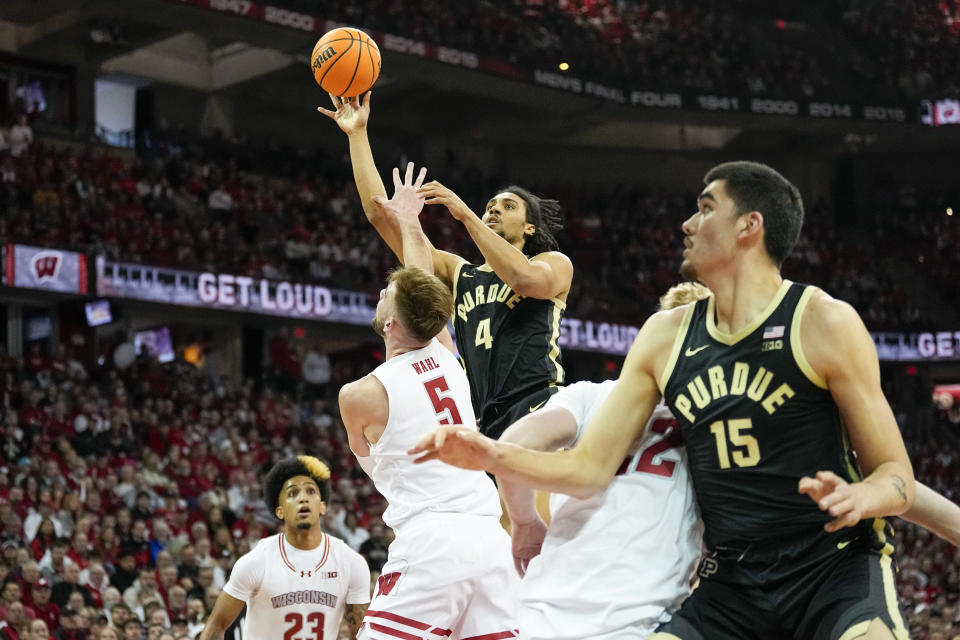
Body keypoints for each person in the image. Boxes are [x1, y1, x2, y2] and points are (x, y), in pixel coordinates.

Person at [412, 161, 917, 640]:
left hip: (830, 564)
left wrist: (861, 496)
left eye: (704, 208)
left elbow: (896, 475)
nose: (686, 223)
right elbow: (590, 469)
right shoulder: (663, 336)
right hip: (733, 579)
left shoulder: (823, 321)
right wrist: (491, 453)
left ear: (749, 226)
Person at [320, 94, 573, 439]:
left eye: (508, 206)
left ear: (530, 227)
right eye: (490, 205)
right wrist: (357, 134)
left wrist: (467, 213)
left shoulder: (553, 263)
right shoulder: (459, 274)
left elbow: (522, 278)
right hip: (484, 419)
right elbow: (381, 216)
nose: (494, 209)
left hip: (539, 404)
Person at [500, 282, 710, 640]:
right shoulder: (716, 419)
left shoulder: (590, 394)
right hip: (639, 620)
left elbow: (514, 445)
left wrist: (524, 520)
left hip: (538, 616)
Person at [338, 264, 518, 639]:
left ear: (391, 325)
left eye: (386, 293)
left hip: (434, 540)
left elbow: (368, 461)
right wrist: (408, 222)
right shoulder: (446, 352)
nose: (380, 295)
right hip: (491, 539)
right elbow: (422, 280)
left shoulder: (359, 395)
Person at [198, 456, 370, 640]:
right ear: (279, 510)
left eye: (310, 491)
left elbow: (360, 634)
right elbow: (216, 626)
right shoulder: (257, 561)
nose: (303, 498)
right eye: (293, 493)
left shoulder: (351, 562)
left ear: (322, 506)